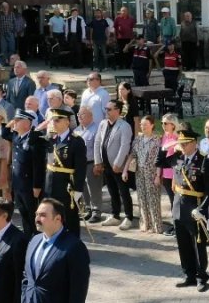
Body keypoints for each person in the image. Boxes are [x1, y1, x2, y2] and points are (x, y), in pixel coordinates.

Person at [168, 128, 209, 289]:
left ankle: (201, 276)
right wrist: (165, 148)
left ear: (194, 143)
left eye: (185, 144)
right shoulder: (178, 158)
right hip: (178, 207)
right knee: (183, 244)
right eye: (180, 143)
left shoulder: (203, 161)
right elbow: (159, 162)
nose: (182, 146)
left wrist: (202, 209)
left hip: (195, 208)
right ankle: (189, 274)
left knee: (198, 244)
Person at [44, 107, 88, 237]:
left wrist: (78, 190)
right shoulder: (51, 139)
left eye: (57, 120)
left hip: (67, 186)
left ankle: (73, 244)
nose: (54, 123)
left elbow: (80, 167)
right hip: (50, 185)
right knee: (51, 215)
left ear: (67, 122)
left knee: (68, 217)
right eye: (52, 120)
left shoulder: (76, 141)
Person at [93, 99, 135, 229]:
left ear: (117, 111)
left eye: (109, 109)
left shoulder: (124, 126)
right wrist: (97, 162)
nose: (106, 111)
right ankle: (115, 215)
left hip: (118, 165)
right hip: (105, 164)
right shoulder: (103, 123)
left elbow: (124, 146)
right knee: (112, 191)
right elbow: (97, 142)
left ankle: (128, 217)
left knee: (124, 191)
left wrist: (118, 163)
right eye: (106, 109)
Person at [9, 110, 46, 234]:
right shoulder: (17, 138)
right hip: (18, 184)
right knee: (23, 213)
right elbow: (4, 131)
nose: (14, 122)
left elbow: (38, 165)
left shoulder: (35, 140)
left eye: (18, 120)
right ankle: (27, 237)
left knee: (33, 214)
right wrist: (12, 122)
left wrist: (37, 185)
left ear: (27, 123)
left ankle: (36, 237)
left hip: (29, 185)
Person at [131, 115, 163, 233]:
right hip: (139, 172)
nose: (143, 127)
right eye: (141, 125)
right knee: (141, 198)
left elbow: (160, 159)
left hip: (152, 173)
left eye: (145, 124)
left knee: (153, 199)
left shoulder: (157, 139)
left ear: (152, 125)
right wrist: (125, 169)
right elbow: (133, 154)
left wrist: (158, 176)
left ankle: (157, 226)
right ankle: (145, 224)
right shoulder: (137, 139)